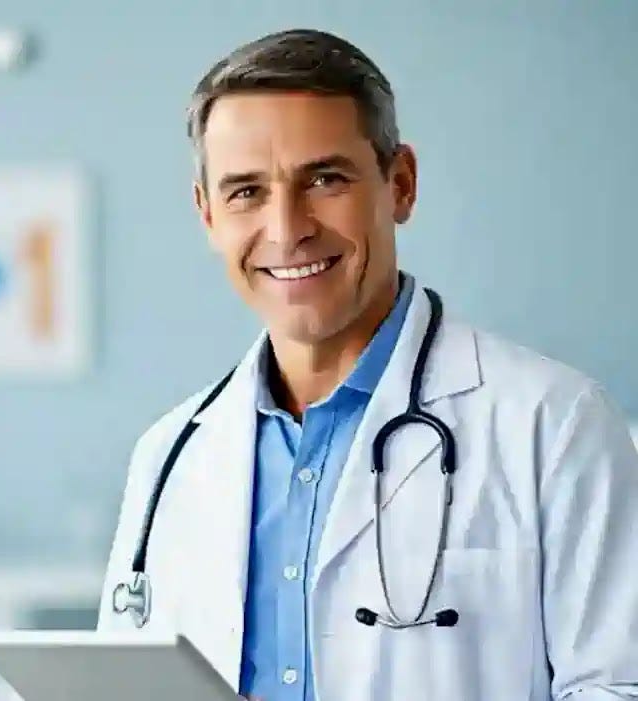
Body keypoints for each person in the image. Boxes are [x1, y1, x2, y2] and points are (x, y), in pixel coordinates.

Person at [96, 27, 638, 701]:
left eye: (324, 179)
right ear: (207, 214)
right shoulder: (170, 454)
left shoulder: (554, 425)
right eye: (246, 192)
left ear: (400, 184)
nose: (287, 227)